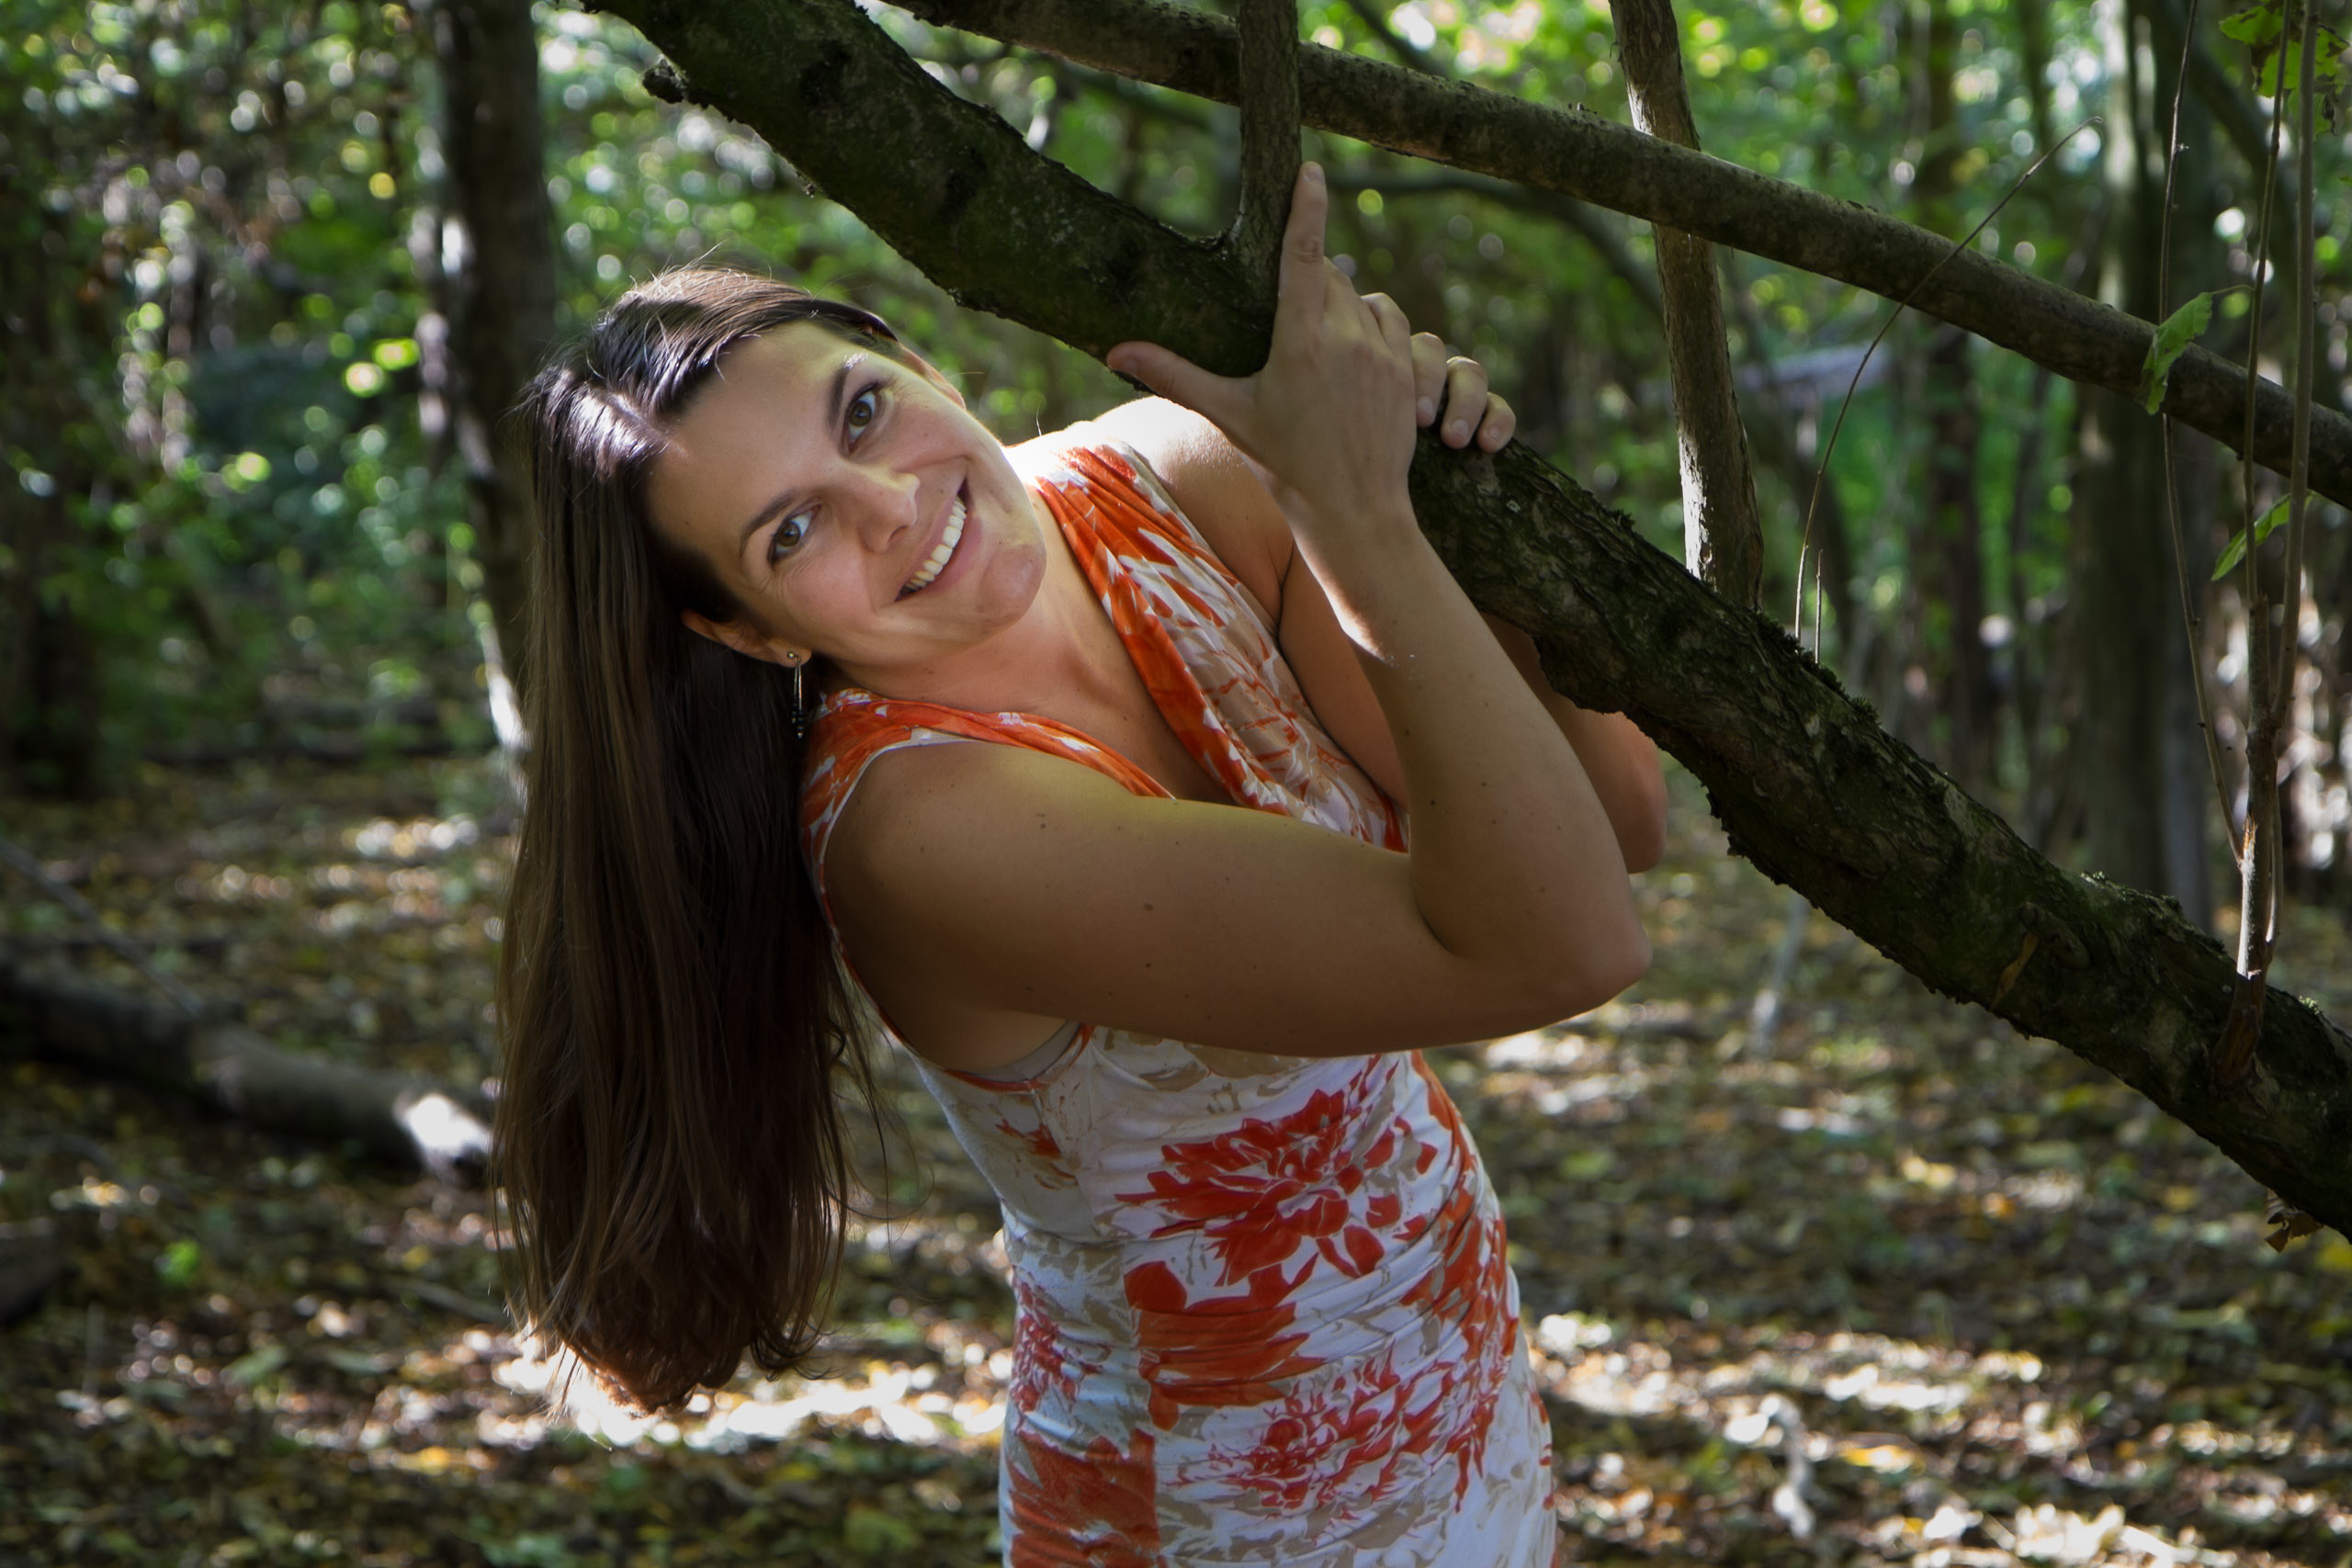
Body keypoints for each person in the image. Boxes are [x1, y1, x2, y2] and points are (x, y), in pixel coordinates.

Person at [495, 164, 1664, 1566]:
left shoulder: (1177, 478)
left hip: (1458, 1396)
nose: (888, 504)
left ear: (915, 358)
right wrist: (1358, 511)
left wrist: (1439, 478)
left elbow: (1612, 828)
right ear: (752, 633)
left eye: (862, 411)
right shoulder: (924, 830)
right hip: (1216, 1510)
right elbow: (1561, 944)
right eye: (791, 532)